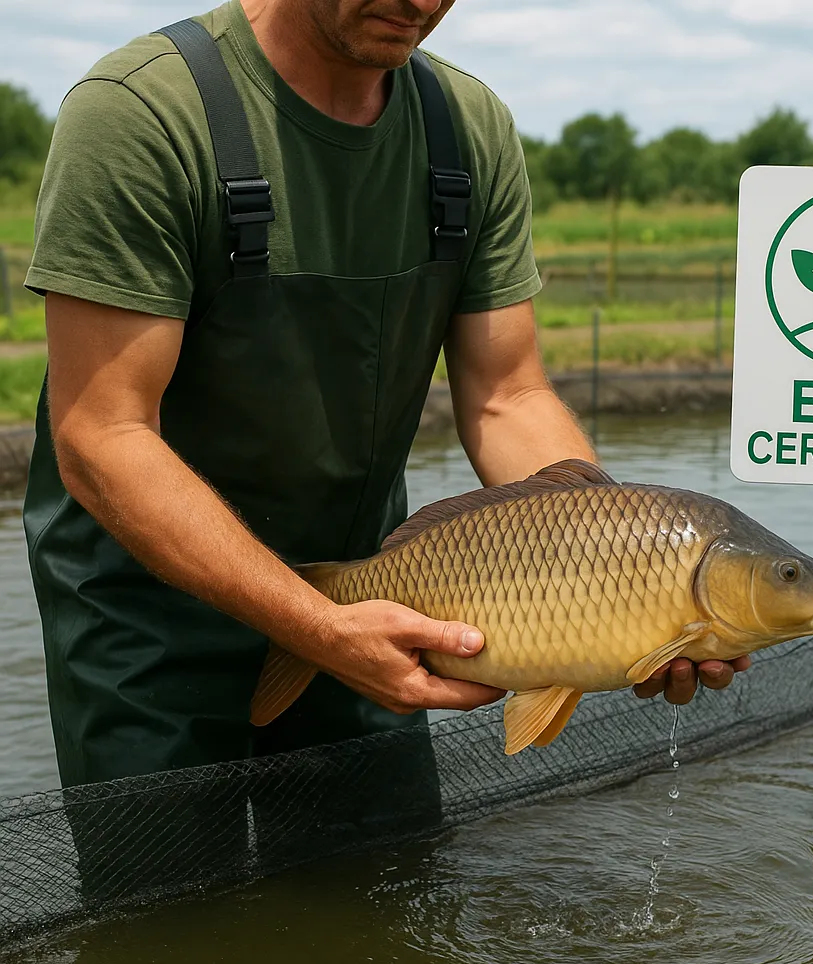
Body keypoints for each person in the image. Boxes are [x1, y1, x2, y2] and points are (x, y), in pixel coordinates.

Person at [23, 0, 750, 803]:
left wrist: (623, 574)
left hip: (381, 591)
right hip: (146, 622)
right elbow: (103, 434)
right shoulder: (142, 112)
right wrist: (315, 628)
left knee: (381, 908)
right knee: (167, 920)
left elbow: (507, 394)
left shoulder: (466, 127)